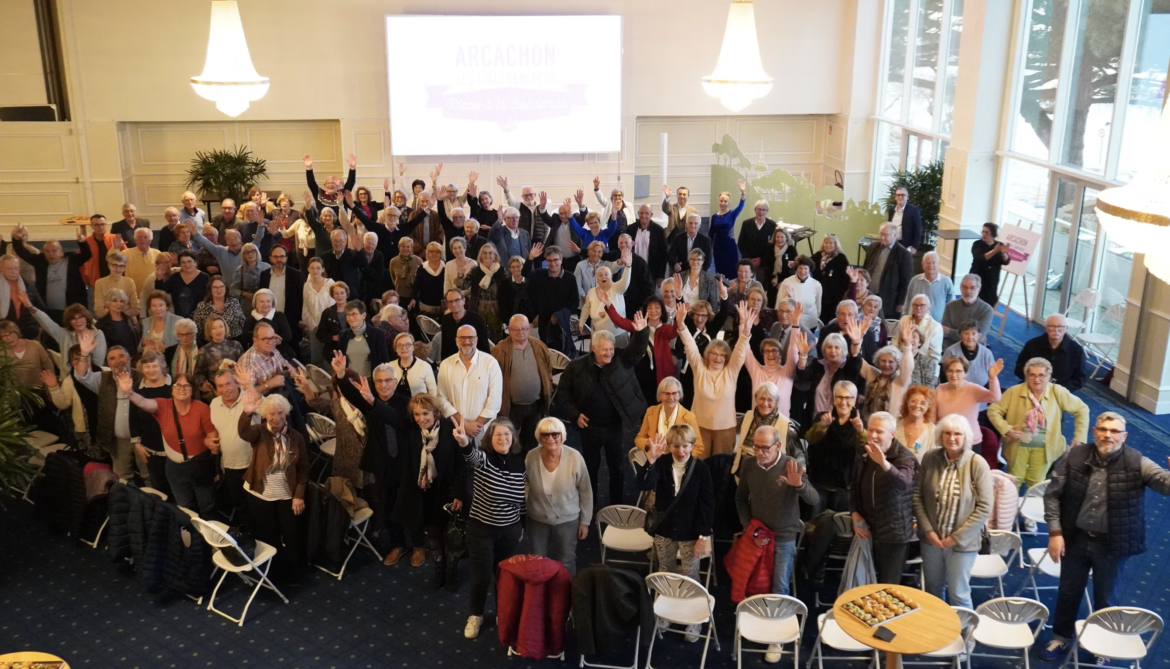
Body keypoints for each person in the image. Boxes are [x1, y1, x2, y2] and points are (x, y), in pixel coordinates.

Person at [1037, 412, 1170, 662]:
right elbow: (1052, 494)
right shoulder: (1074, 455)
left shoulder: (1137, 461)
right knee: (1068, 592)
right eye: (1102, 429)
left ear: (1124, 436)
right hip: (1075, 539)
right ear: (1094, 431)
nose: (1107, 435)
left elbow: (1165, 485)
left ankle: (1102, 646)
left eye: (1114, 431)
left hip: (1113, 544)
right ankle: (1060, 638)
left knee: (1106, 598)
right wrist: (1055, 532)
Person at [558, 321, 650, 508]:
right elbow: (563, 394)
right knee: (590, 469)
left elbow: (638, 349)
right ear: (593, 348)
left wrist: (642, 332)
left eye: (611, 349)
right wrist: (575, 415)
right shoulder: (576, 367)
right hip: (588, 428)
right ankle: (589, 506)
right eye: (604, 350)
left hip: (614, 427)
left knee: (617, 469)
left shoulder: (621, 359)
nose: (609, 353)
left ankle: (617, 505)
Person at [637, 424, 715, 642]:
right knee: (665, 571)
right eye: (676, 446)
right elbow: (642, 484)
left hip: (692, 532)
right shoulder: (660, 463)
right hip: (664, 531)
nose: (681, 451)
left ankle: (693, 619)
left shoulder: (701, 469)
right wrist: (650, 460)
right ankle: (665, 613)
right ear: (669, 446)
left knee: (691, 575)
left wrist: (703, 538)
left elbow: (707, 505)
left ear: (692, 445)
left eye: (686, 446)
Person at [912, 413, 993, 609]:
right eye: (947, 433)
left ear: (966, 437)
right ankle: (938, 635)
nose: (952, 438)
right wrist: (929, 531)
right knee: (933, 590)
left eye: (958, 433)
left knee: (959, 594)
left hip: (962, 543)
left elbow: (984, 507)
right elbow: (917, 495)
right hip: (931, 540)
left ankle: (966, 638)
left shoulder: (977, 463)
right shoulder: (930, 458)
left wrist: (955, 538)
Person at [735, 425, 817, 608]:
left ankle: (776, 625)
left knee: (779, 587)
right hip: (757, 534)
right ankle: (756, 621)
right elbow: (740, 498)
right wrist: (749, 528)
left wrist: (799, 486)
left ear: (778, 445)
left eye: (765, 447)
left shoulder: (792, 465)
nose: (760, 452)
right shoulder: (748, 464)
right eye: (756, 447)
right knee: (754, 584)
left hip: (784, 536)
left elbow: (814, 500)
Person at [458, 418, 526, 639]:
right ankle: (475, 615)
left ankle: (502, 612)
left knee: (504, 576)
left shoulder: (521, 462)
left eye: (507, 434)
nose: (503, 438)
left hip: (510, 530)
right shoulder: (485, 459)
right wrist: (464, 442)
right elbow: (471, 455)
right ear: (490, 438)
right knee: (481, 577)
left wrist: (521, 526)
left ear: (513, 437)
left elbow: (522, 501)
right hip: (481, 530)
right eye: (497, 435)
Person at [120, 370, 219, 517]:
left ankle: (209, 536)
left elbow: (213, 438)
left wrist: (215, 458)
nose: (182, 388)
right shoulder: (163, 405)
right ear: (171, 390)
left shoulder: (202, 408)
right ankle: (190, 537)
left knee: (207, 505)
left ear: (192, 390)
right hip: (175, 469)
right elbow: (143, 403)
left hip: (200, 466)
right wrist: (129, 392)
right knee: (185, 507)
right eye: (178, 385)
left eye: (186, 386)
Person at [237, 386, 309, 584]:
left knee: (293, 535)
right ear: (265, 415)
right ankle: (275, 575)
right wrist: (246, 412)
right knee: (268, 536)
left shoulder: (296, 437)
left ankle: (295, 575)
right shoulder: (258, 432)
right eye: (271, 413)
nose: (276, 418)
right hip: (260, 495)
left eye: (280, 413)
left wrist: (299, 495)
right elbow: (243, 432)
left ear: (286, 413)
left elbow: (303, 468)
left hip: (287, 495)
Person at [989, 357, 1090, 495]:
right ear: (1026, 376)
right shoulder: (1015, 391)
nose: (1037, 379)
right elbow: (994, 409)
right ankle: (1009, 515)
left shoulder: (1057, 391)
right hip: (1017, 445)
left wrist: (1079, 437)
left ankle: (1030, 516)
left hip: (1044, 449)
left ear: (1048, 376)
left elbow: (1082, 409)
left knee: (1036, 483)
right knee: (1013, 481)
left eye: (1041, 375)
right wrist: (1006, 428)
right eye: (1032, 375)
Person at [393, 393, 464, 575]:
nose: (421, 419)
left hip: (446, 493)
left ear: (435, 412)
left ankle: (452, 570)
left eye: (425, 413)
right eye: (416, 414)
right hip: (424, 493)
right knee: (433, 535)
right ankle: (440, 569)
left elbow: (461, 467)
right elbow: (410, 464)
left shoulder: (450, 430)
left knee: (449, 536)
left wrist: (459, 493)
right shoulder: (414, 433)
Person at [677, 302, 754, 457]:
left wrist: (745, 331)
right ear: (707, 354)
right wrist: (681, 324)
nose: (718, 357)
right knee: (699, 467)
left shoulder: (731, 371)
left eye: (722, 355)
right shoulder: (699, 368)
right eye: (714, 353)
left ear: (726, 358)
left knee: (722, 470)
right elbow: (690, 346)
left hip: (725, 429)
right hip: (698, 427)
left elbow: (739, 352)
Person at [851, 411, 918, 584]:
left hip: (893, 533)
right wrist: (854, 513)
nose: (873, 435)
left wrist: (883, 463)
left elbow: (903, 484)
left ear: (892, 434)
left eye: (879, 432)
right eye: (871, 430)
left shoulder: (905, 457)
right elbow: (854, 487)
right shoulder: (863, 453)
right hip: (868, 529)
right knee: (866, 581)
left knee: (888, 586)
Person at [526, 416, 592, 576]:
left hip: (567, 519)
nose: (550, 438)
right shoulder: (531, 456)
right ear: (539, 437)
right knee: (537, 561)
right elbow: (525, 485)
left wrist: (585, 521)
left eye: (555, 434)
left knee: (565, 562)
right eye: (545, 435)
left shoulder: (575, 457)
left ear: (562, 436)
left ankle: (566, 598)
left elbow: (585, 491)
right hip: (537, 519)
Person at [490, 315, 552, 453]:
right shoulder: (498, 351)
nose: (520, 332)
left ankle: (528, 468)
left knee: (532, 441)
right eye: (516, 329)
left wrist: (548, 386)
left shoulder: (539, 346)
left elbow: (548, 369)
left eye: (524, 328)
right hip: (511, 407)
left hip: (536, 405)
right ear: (509, 329)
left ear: (529, 328)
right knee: (509, 441)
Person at [7, 225, 88, 323]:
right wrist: (16, 239)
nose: (51, 254)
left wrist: (82, 243)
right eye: (47, 251)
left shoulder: (71, 260)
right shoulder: (40, 262)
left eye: (54, 251)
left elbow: (87, 254)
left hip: (72, 309)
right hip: (48, 310)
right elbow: (23, 253)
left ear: (61, 251)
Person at [437, 324, 502, 445]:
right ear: (456, 341)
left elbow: (495, 400)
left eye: (471, 338)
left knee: (483, 463)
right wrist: (465, 424)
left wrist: (476, 426)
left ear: (476, 340)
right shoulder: (446, 365)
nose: (466, 341)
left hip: (483, 431)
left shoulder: (490, 363)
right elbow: (441, 398)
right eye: (462, 338)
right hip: (456, 430)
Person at [793, 330, 864, 435]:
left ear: (843, 350)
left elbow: (855, 361)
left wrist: (856, 343)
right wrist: (803, 355)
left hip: (838, 422)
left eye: (837, 347)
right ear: (824, 350)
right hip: (815, 419)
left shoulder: (848, 368)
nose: (832, 351)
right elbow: (803, 375)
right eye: (829, 347)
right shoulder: (818, 365)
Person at [935, 355, 1003, 456]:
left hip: (970, 443)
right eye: (950, 371)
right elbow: (935, 416)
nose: (954, 374)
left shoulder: (973, 389)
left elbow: (995, 397)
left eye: (958, 371)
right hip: (946, 442)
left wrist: (993, 378)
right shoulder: (939, 389)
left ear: (965, 373)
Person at [733, 382, 801, 477]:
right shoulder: (748, 416)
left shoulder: (787, 425)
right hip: (743, 469)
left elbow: (798, 455)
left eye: (770, 400)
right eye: (762, 398)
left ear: (776, 401)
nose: (765, 403)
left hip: (770, 473)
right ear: (756, 398)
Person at [1013, 314, 1087, 392]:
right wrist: (1036, 382)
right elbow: (1019, 369)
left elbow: (1080, 378)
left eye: (1060, 326)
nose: (1056, 330)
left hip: (1060, 392)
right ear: (1046, 328)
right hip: (1033, 387)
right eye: (1052, 326)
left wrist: (1057, 389)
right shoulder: (1032, 344)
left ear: (1066, 329)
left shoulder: (1076, 350)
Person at [29, 301, 109, 372]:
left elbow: (98, 363)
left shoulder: (98, 335)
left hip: (91, 379)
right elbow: (48, 324)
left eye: (81, 317)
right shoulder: (64, 334)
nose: (78, 321)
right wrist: (29, 306)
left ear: (86, 318)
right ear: (69, 321)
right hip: (68, 379)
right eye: (73, 319)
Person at [525, 245, 579, 348]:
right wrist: (530, 258)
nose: (552, 263)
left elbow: (574, 303)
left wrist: (558, 316)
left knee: (562, 350)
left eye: (555, 260)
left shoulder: (570, 277)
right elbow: (525, 274)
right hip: (544, 322)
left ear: (561, 260)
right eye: (549, 260)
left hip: (562, 323)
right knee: (545, 350)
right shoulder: (540, 274)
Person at [635, 377, 705, 455]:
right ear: (660, 395)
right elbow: (639, 439)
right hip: (654, 457)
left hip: (678, 461)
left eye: (674, 393)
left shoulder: (689, 417)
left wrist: (683, 459)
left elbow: (698, 447)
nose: (671, 397)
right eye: (667, 393)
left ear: (679, 395)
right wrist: (650, 444)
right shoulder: (651, 411)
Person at [859, 324, 917, 418]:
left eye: (891, 362)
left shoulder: (901, 380)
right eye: (883, 361)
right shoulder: (872, 374)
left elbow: (907, 367)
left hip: (890, 426)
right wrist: (858, 340)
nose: (886, 365)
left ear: (897, 364)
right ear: (878, 361)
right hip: (868, 424)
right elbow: (858, 361)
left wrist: (907, 344)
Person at [864, 223, 914, 318]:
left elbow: (906, 281)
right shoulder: (873, 248)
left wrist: (901, 302)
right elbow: (865, 269)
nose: (882, 237)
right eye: (881, 234)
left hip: (889, 301)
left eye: (885, 235)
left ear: (895, 236)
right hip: (870, 295)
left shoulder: (904, 254)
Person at [258, 244, 304, 346]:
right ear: (270, 258)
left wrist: (301, 318)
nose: (279, 259)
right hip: (269, 320)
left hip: (291, 320)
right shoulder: (264, 275)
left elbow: (301, 299)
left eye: (282, 256)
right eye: (276, 257)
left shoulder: (297, 275)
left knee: (292, 351)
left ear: (286, 257)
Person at [891, 294, 943, 380]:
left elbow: (935, 356)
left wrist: (930, 375)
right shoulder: (904, 320)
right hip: (900, 362)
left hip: (923, 367)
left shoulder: (935, 326)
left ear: (928, 308)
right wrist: (894, 359)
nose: (918, 308)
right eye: (915, 305)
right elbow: (895, 342)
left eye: (922, 305)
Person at [193, 316, 243, 402]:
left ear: (225, 328)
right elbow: (197, 374)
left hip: (236, 388)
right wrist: (203, 383)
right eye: (214, 328)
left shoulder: (236, 345)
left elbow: (244, 366)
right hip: (216, 392)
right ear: (209, 331)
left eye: (221, 326)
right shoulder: (204, 351)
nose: (218, 330)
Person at [0, 255, 48, 341]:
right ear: (1, 268)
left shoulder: (29, 285)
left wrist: (40, 328)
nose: (13, 272)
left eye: (16, 268)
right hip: (5, 335)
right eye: (9, 269)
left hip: (30, 334)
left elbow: (41, 308)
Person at [940, 275, 994, 350]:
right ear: (960, 289)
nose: (968, 291)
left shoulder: (987, 310)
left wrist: (950, 332)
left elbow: (978, 338)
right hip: (951, 351)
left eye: (972, 288)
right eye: (965, 287)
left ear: (978, 290)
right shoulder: (950, 306)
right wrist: (972, 336)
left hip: (974, 352)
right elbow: (943, 332)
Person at [241, 289, 296, 361]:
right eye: (261, 301)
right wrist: (271, 338)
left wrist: (270, 341)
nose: (265, 304)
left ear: (272, 303)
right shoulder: (249, 320)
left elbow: (287, 335)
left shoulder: (279, 316)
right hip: (257, 356)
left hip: (281, 352)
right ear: (255, 304)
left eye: (268, 301)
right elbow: (245, 338)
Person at [942, 320, 997, 392]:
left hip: (980, 395)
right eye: (966, 333)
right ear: (961, 336)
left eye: (973, 333)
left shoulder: (987, 354)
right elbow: (944, 377)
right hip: (955, 393)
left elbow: (992, 379)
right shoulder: (951, 351)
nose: (970, 337)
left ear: (979, 336)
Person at [191, 275, 246, 346]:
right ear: (210, 289)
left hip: (234, 344)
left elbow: (242, 323)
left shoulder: (234, 302)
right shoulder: (202, 306)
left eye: (221, 287)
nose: (219, 290)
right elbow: (198, 330)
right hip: (210, 345)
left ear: (226, 288)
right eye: (215, 287)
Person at [438, 288, 491, 359]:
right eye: (450, 301)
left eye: (457, 300)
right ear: (447, 304)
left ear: (464, 301)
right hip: (454, 361)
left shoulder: (476, 319)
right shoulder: (445, 319)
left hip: (474, 360)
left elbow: (484, 346)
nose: (453, 304)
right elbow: (445, 346)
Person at [466, 243, 506, 339]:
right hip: (478, 307)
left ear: (495, 256)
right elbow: (463, 286)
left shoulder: (501, 270)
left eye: (490, 253)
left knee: (496, 335)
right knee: (479, 333)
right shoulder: (475, 270)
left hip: (496, 308)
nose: (487, 255)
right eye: (484, 253)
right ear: (481, 256)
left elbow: (506, 290)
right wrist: (463, 276)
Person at [709, 180, 747, 276]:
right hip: (718, 247)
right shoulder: (714, 216)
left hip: (729, 247)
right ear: (718, 202)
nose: (723, 203)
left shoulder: (732, 214)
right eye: (721, 201)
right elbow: (711, 233)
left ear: (729, 203)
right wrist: (708, 248)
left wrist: (743, 192)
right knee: (719, 270)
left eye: (725, 201)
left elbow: (741, 205)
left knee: (731, 269)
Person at [0, 320, 54, 388]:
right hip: (14, 393)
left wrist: (51, 386)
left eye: (11, 333)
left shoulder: (35, 346)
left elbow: (48, 365)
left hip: (39, 389)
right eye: (4, 336)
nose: (9, 338)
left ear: (17, 332)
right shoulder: (2, 352)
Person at [811, 235, 851, 325]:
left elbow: (846, 279)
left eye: (831, 243)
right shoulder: (818, 255)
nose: (828, 245)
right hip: (819, 294)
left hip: (834, 297)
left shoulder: (841, 258)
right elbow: (808, 263)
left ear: (835, 244)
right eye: (826, 243)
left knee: (831, 321)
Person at [301, 258, 335, 366]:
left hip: (329, 328)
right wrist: (314, 326)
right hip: (314, 327)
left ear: (323, 269)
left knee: (330, 356)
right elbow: (306, 308)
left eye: (318, 268)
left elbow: (333, 307)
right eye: (312, 268)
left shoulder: (330, 284)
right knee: (317, 356)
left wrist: (326, 326)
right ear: (308, 269)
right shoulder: (306, 286)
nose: (315, 271)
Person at [902, 252, 953, 322]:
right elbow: (907, 303)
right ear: (922, 265)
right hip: (916, 324)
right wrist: (904, 320)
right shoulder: (914, 281)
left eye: (933, 263)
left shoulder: (946, 282)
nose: (931, 265)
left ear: (939, 265)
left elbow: (951, 306)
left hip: (939, 325)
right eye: (928, 263)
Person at [970, 223, 1011, 306]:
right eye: (983, 232)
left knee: (989, 304)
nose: (984, 234)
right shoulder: (977, 244)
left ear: (993, 234)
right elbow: (980, 258)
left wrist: (1004, 253)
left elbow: (1006, 262)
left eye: (987, 232)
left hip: (992, 280)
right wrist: (994, 251)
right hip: (977, 278)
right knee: (974, 303)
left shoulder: (999, 245)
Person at [162, 251, 211, 319]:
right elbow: (162, 293)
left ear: (195, 262)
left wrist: (202, 310)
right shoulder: (174, 278)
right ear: (179, 265)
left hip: (199, 318)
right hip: (178, 319)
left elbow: (210, 297)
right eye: (183, 262)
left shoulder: (205, 278)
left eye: (189, 261)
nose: (187, 265)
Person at [779, 256, 822, 332]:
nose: (802, 271)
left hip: (810, 324)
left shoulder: (816, 285)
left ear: (809, 270)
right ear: (796, 269)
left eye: (805, 268)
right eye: (800, 268)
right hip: (790, 323)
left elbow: (818, 306)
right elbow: (779, 304)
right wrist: (790, 297)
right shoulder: (786, 282)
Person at [737, 200, 777, 284]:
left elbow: (772, 246)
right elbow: (741, 242)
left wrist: (761, 259)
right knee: (744, 283)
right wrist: (750, 258)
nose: (761, 212)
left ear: (767, 211)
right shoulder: (746, 223)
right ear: (755, 210)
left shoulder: (772, 225)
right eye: (759, 209)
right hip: (747, 260)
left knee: (761, 284)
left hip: (764, 262)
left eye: (764, 209)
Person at [629, 204, 668, 281]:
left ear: (651, 215)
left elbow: (663, 254)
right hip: (633, 271)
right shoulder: (631, 229)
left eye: (647, 213)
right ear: (638, 213)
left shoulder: (659, 231)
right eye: (641, 213)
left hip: (651, 272)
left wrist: (660, 276)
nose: (644, 215)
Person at [897, 385, 936, 460]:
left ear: (928, 406)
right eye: (913, 401)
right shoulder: (893, 425)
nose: (917, 405)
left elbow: (934, 463)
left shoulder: (933, 432)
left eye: (923, 403)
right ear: (907, 402)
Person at [317, 282, 351, 364]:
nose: (339, 296)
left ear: (347, 294)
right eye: (336, 293)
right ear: (333, 295)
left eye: (342, 293)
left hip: (354, 354)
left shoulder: (356, 310)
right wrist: (333, 337)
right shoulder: (327, 313)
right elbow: (320, 335)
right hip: (333, 356)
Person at [888, 187, 922, 254]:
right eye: (898, 195)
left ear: (907, 197)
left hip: (906, 246)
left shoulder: (913, 210)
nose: (900, 197)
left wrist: (914, 247)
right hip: (892, 244)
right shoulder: (891, 210)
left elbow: (918, 230)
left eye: (903, 195)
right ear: (895, 197)